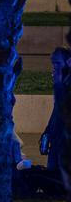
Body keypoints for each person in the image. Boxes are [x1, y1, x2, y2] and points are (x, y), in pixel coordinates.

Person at [41, 47, 71, 180]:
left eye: (57, 63)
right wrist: (47, 132)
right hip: (56, 143)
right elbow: (56, 113)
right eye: (53, 64)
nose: (53, 68)